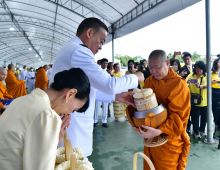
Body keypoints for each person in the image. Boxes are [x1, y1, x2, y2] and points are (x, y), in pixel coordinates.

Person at [50, 17, 144, 157]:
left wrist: (115, 96)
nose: (101, 47)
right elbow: (110, 84)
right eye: (101, 41)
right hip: (73, 124)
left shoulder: (72, 48)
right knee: (74, 160)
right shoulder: (79, 51)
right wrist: (137, 77)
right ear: (89, 33)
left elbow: (86, 90)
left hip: (73, 122)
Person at [0, 68, 90, 170]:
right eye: (73, 109)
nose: (69, 114)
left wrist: (56, 136)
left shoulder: (21, 100)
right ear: (70, 94)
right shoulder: (46, 114)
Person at [135, 50, 190, 170]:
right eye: (150, 68)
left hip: (170, 140)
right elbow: (145, 108)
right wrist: (138, 125)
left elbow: (179, 117)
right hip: (150, 138)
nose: (153, 71)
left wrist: (159, 131)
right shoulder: (149, 81)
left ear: (167, 62)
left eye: (157, 67)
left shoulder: (179, 84)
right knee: (149, 165)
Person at [187, 61, 207, 139]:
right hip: (194, 101)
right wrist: (188, 83)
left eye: (200, 69)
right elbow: (184, 84)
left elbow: (209, 84)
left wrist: (201, 86)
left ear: (203, 69)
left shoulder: (206, 76)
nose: (198, 70)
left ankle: (202, 131)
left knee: (204, 118)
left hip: (205, 101)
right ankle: (196, 132)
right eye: (197, 68)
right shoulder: (191, 76)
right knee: (195, 118)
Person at [211, 58, 220, 139]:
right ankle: (216, 133)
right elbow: (208, 82)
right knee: (216, 114)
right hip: (215, 94)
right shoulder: (212, 73)